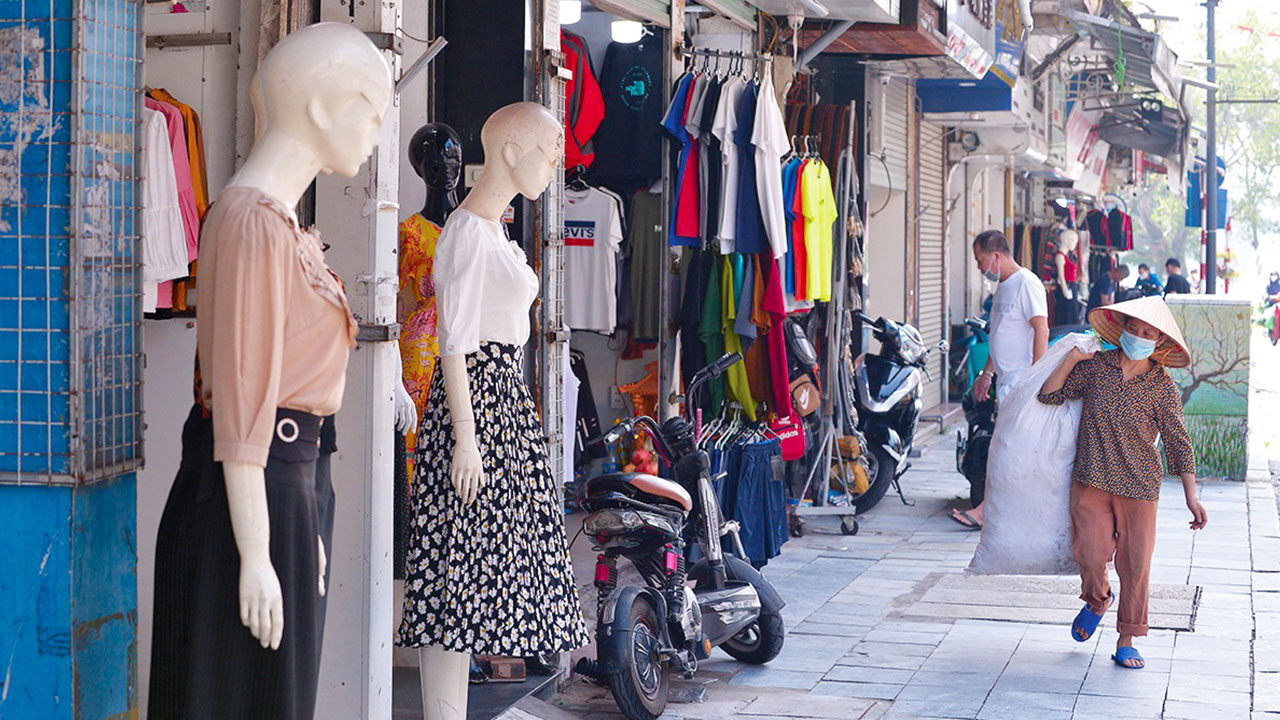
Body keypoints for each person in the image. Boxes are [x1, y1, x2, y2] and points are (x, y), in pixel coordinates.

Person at [1038, 297, 1205, 670]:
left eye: (1148, 333)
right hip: (1091, 478)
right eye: (1134, 328)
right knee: (1089, 553)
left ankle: (1127, 637)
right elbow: (1049, 395)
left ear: (1159, 343)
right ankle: (1097, 600)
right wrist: (1071, 360)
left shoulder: (1162, 387)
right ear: (1122, 328)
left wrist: (1192, 497)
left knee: (1135, 565)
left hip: (1140, 485)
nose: (1139, 336)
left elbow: (1179, 441)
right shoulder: (1097, 368)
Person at [950, 230, 1049, 530]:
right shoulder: (1003, 288)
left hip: (1021, 382)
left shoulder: (1027, 283)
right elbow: (1000, 335)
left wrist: (1036, 379)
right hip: (1005, 382)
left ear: (996, 255)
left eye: (981, 260)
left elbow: (1041, 331)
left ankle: (986, 511)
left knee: (1006, 451)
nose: (980, 268)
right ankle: (1004, 512)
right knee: (1006, 450)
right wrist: (987, 373)